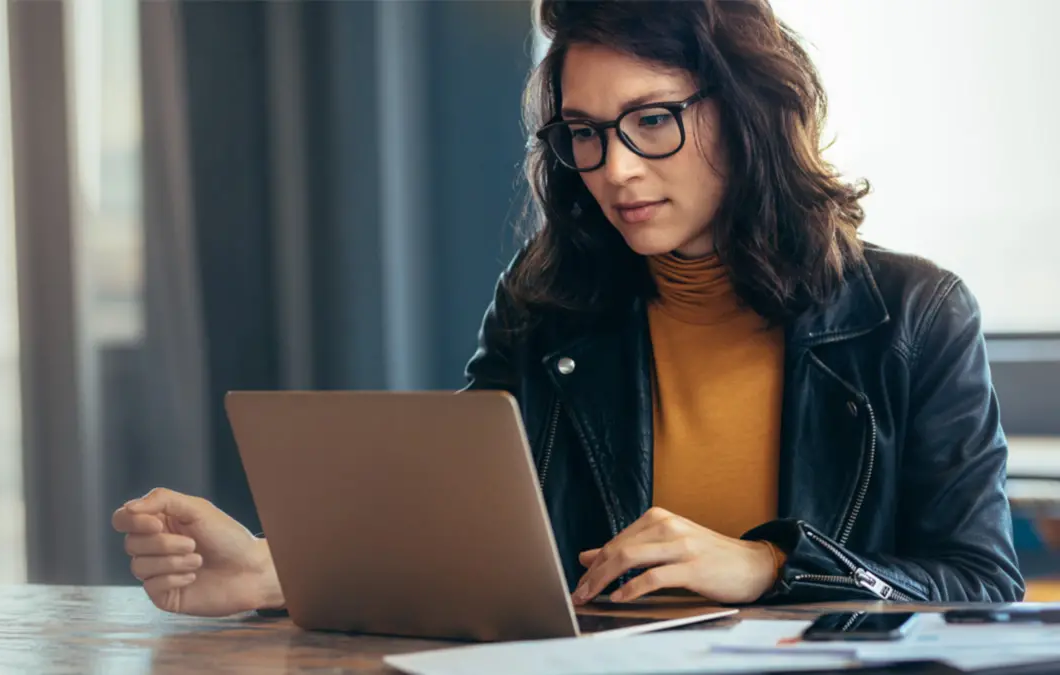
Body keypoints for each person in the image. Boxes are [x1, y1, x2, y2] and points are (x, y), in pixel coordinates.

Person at [112, 0, 1024, 617]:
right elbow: (465, 535)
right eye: (584, 133)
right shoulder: (548, 299)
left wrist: (771, 568)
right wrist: (278, 569)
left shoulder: (913, 314)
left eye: (652, 119)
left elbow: (981, 585)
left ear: (749, 110)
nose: (616, 168)